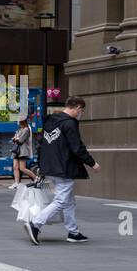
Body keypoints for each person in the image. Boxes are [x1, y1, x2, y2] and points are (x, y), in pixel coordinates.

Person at [25, 96, 100, 245]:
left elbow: (42, 145)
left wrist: (41, 165)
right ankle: (35, 224)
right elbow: (77, 147)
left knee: (69, 201)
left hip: (50, 166)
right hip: (63, 167)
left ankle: (73, 232)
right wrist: (92, 163)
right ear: (77, 107)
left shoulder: (50, 121)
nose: (81, 114)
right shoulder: (69, 124)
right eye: (82, 110)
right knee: (61, 200)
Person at [10, 114, 36, 188]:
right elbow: (15, 138)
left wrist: (15, 139)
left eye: (19, 121)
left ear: (22, 122)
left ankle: (36, 178)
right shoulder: (19, 129)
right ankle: (16, 183)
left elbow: (20, 140)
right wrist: (15, 139)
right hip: (16, 150)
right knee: (15, 167)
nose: (18, 122)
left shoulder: (26, 129)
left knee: (22, 168)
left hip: (22, 151)